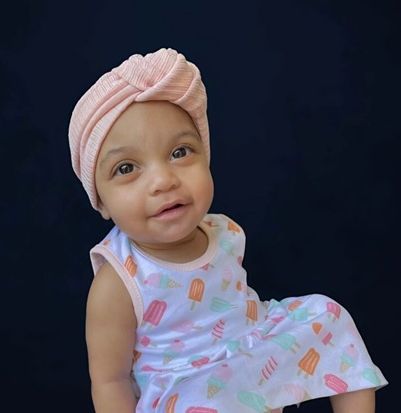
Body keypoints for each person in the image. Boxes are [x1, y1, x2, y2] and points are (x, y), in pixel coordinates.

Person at [68, 48, 388, 413]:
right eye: (126, 168)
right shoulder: (118, 282)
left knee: (328, 315)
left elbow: (236, 307)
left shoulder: (223, 230)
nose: (163, 180)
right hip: (186, 386)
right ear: (102, 202)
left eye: (180, 152)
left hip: (251, 345)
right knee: (201, 402)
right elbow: (110, 381)